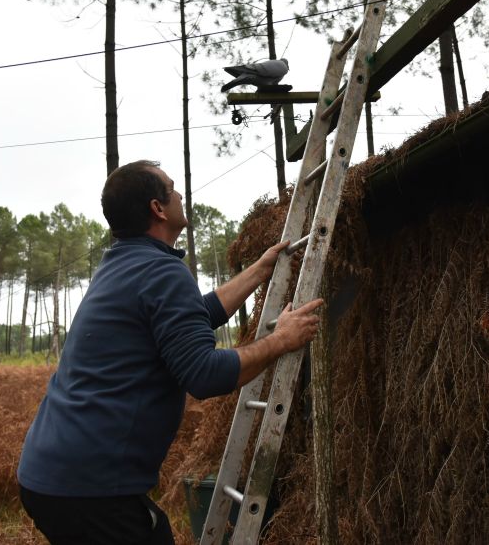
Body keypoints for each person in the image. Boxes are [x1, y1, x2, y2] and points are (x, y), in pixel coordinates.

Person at [17, 160, 323, 545]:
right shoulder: (161, 272)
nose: (180, 194)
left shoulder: (124, 264)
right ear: (157, 208)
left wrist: (258, 272)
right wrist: (281, 340)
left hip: (52, 476)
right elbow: (205, 374)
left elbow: (194, 315)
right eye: (172, 188)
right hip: (90, 488)